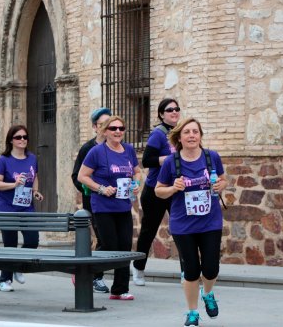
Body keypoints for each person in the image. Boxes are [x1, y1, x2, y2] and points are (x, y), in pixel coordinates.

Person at [155, 118, 226, 326]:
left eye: (195, 132)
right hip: (183, 223)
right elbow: (159, 190)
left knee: (211, 268)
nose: (192, 135)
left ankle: (208, 293)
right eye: (187, 132)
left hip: (210, 221)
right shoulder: (171, 161)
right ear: (179, 137)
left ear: (200, 136)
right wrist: (173, 188)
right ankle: (192, 312)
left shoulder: (211, 157)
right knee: (192, 270)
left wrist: (220, 186)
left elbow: (223, 179)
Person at [77, 115, 142, 300]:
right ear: (105, 131)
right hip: (103, 207)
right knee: (109, 245)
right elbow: (82, 176)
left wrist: (136, 183)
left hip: (123, 205)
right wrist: (101, 188)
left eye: (121, 128)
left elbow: (137, 171)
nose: (118, 131)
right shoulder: (96, 152)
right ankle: (84, 272)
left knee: (124, 248)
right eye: (113, 128)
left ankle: (119, 289)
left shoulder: (128, 149)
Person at [132, 98, 181, 286]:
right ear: (161, 114)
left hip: (176, 188)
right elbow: (147, 160)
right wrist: (170, 159)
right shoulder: (158, 134)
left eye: (177, 109)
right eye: (170, 110)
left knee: (181, 230)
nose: (174, 112)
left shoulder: (181, 132)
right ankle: (138, 268)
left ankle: (188, 273)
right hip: (155, 190)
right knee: (148, 231)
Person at [0, 125, 44, 292]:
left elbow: (34, 177)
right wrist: (14, 184)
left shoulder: (31, 158)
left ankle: (18, 266)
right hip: (7, 207)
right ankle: (4, 280)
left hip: (26, 206)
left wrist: (35, 191)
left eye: (25, 137)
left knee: (32, 241)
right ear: (11, 140)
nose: (22, 140)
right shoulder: (4, 160)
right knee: (10, 244)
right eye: (18, 137)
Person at [71, 107, 112, 293]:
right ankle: (92, 275)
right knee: (103, 239)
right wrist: (93, 190)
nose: (108, 127)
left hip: (116, 202)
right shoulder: (88, 148)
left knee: (111, 242)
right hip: (95, 201)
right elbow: (76, 176)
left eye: (110, 123)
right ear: (95, 127)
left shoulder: (117, 146)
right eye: (103, 123)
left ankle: (90, 272)